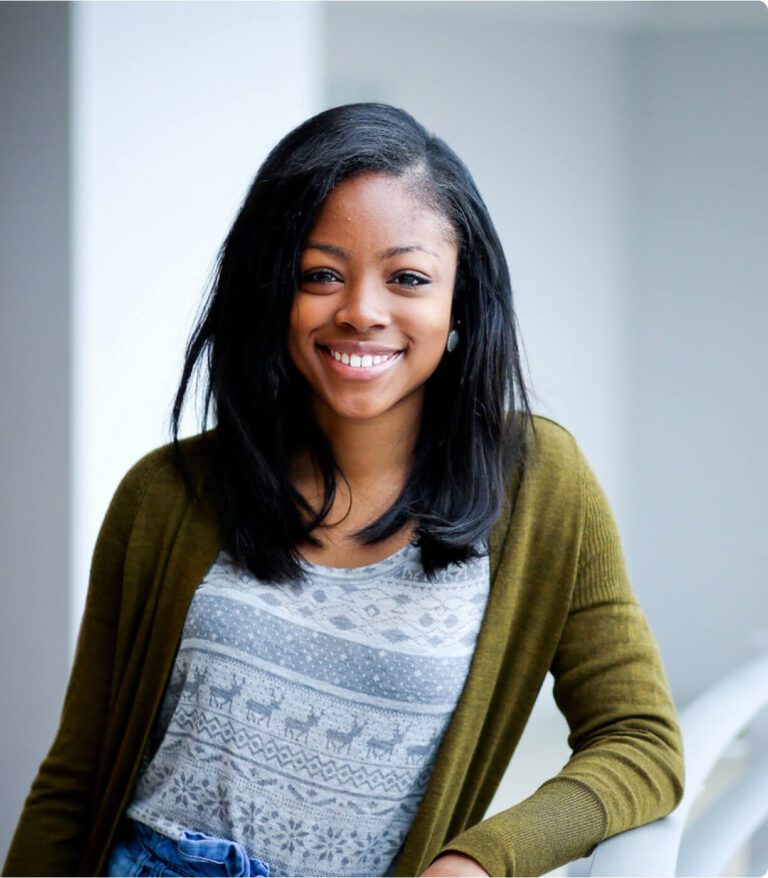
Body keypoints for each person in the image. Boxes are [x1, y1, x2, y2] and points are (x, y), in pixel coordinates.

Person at [4, 103, 683, 878]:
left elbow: (641, 744)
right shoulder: (164, 496)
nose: (361, 310)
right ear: (272, 291)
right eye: (320, 274)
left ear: (459, 301)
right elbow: (75, 781)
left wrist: (480, 861)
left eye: (409, 278)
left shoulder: (538, 482)